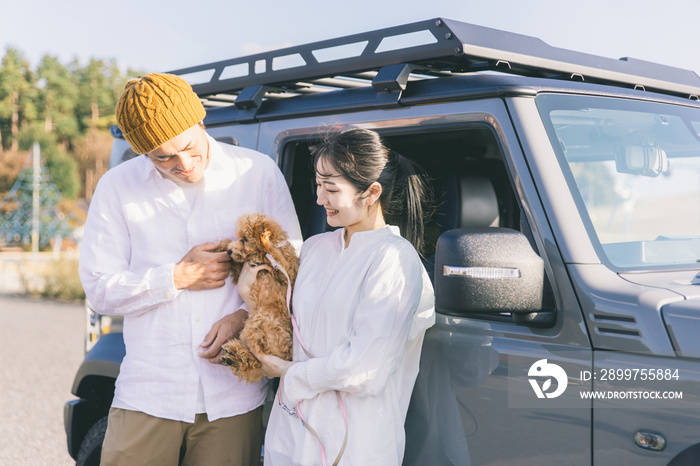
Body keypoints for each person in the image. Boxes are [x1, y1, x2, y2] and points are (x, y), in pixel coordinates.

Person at [78, 73, 302, 466]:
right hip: (149, 392)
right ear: (141, 152)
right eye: (162, 157)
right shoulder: (117, 187)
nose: (182, 164)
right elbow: (99, 288)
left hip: (234, 396)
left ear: (201, 122)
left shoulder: (257, 172)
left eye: (187, 146)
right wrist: (175, 277)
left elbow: (291, 267)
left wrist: (243, 318)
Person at [245, 128, 436, 465]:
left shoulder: (393, 258)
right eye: (318, 185)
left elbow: (363, 369)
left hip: (354, 441)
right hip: (291, 430)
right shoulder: (317, 248)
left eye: (331, 189)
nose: (320, 199)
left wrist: (289, 372)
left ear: (372, 192)